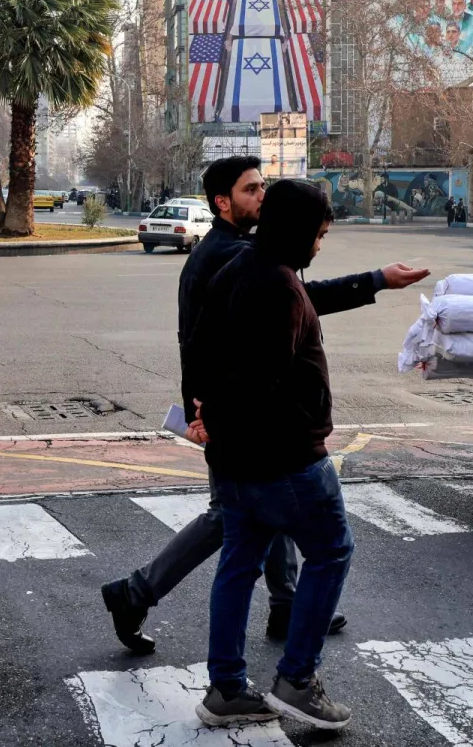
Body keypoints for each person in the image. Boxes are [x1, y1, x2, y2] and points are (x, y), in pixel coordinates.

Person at [99, 156, 426, 655]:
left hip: (226, 413)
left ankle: (284, 605)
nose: (262, 196)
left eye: (264, 186)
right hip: (230, 416)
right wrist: (375, 280)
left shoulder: (232, 249)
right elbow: (286, 306)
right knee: (235, 516)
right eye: (251, 189)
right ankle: (136, 592)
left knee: (260, 509)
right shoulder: (230, 256)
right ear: (222, 202)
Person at [188, 180, 356, 730]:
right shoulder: (281, 286)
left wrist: (207, 416)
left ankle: (226, 690)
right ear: (299, 230)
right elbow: (262, 381)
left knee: (239, 566)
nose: (319, 246)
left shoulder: (235, 268)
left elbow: (201, 351)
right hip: (285, 460)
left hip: (233, 459)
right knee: (331, 552)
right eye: (319, 235)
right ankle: (297, 680)